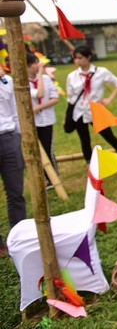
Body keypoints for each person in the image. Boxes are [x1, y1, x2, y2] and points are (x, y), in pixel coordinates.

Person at [65, 45, 117, 170]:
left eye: (80, 58)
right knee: (84, 140)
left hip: (96, 110)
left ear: (88, 57)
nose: (77, 61)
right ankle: (90, 165)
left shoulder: (101, 72)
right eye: (75, 58)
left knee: (109, 137)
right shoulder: (72, 76)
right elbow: (70, 97)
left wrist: (109, 99)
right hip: (79, 112)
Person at [0, 67, 26, 257]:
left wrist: (19, 136)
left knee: (16, 192)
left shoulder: (6, 81)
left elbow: (15, 111)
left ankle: (20, 238)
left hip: (9, 138)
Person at [27, 53, 60, 184]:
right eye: (35, 63)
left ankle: (53, 178)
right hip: (32, 122)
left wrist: (39, 108)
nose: (38, 65)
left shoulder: (45, 79)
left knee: (48, 149)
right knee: (35, 151)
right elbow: (39, 93)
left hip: (46, 120)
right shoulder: (23, 83)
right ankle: (43, 177)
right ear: (27, 66)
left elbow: (55, 98)